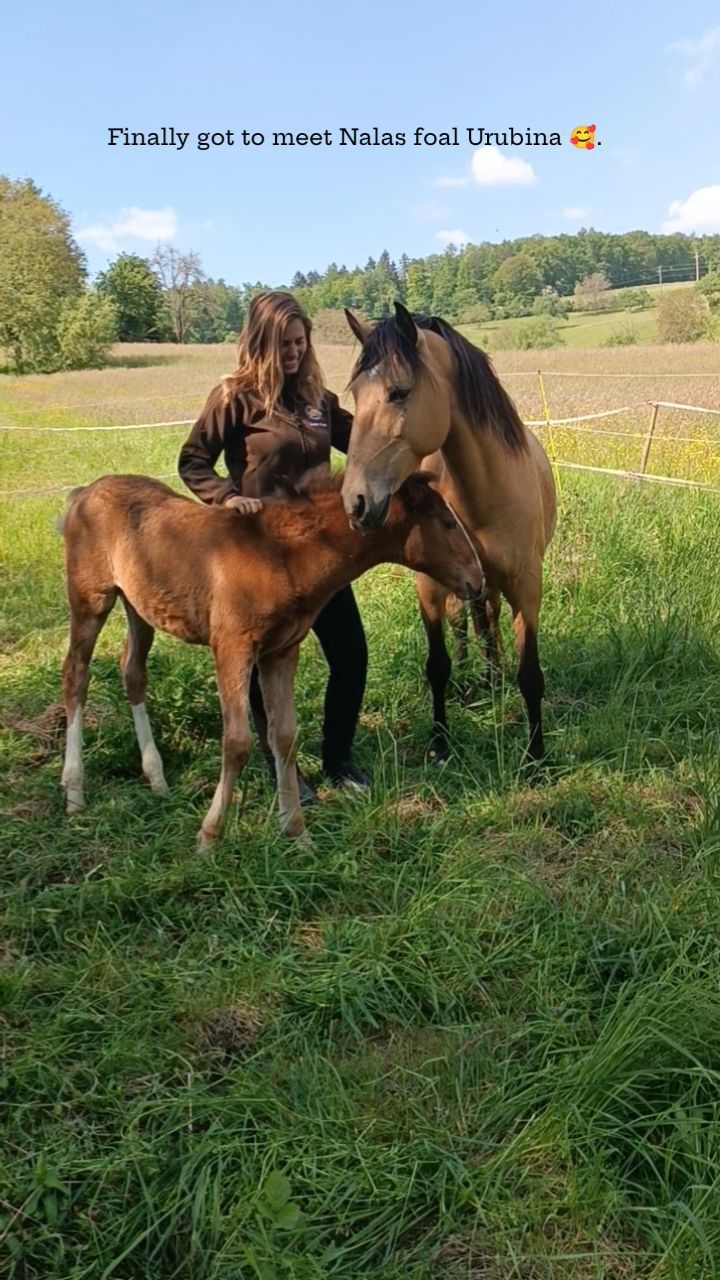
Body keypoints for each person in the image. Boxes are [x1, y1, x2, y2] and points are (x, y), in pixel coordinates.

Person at [178, 291, 369, 804]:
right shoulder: (233, 397)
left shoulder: (317, 399)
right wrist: (227, 496)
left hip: (321, 555)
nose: (292, 352)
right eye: (282, 343)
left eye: (300, 342)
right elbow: (193, 461)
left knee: (351, 655)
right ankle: (281, 769)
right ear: (261, 342)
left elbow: (363, 443)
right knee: (264, 664)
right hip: (259, 558)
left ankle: (339, 760)